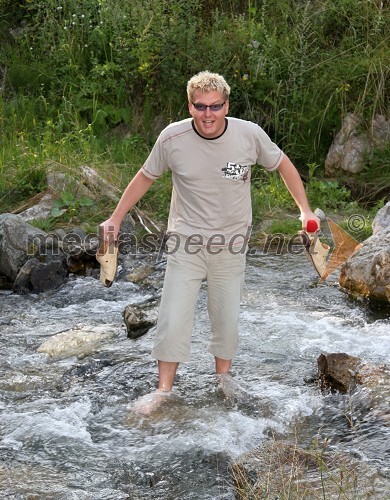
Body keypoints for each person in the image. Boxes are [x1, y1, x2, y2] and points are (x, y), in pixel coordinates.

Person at [99, 70, 320, 414]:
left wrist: (304, 209)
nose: (208, 114)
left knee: (226, 318)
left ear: (226, 105)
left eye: (215, 106)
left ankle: (223, 380)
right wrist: (115, 218)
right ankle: (163, 390)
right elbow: (145, 176)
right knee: (172, 316)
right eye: (200, 106)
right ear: (190, 106)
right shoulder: (172, 139)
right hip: (185, 244)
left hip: (231, 245)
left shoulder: (249, 135)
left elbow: (283, 166)